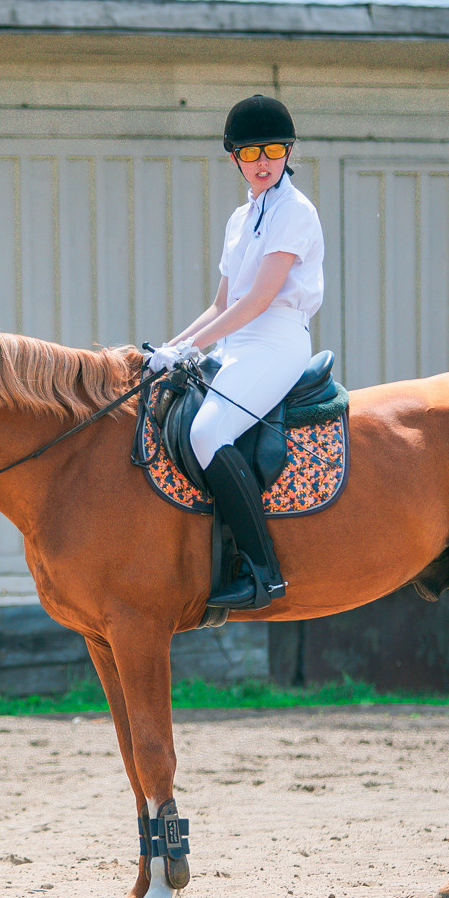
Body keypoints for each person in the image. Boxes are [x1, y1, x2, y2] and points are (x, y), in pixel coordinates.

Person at [146, 94, 327, 610]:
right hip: (237, 339)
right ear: (234, 159)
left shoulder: (295, 210)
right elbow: (221, 303)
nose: (264, 162)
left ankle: (261, 569)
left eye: (273, 150)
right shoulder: (239, 218)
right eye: (251, 153)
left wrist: (192, 348)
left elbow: (260, 300)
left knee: (206, 431)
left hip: (277, 337)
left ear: (288, 152)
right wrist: (173, 348)